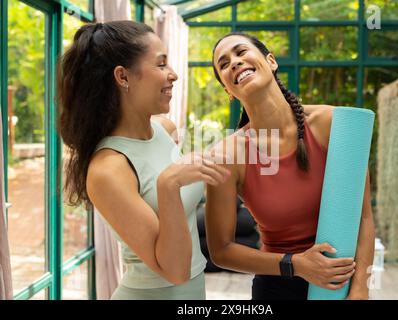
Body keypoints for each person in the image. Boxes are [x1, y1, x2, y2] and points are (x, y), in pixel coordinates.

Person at [57, 21, 230, 300]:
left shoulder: (165, 130)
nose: (172, 74)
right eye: (161, 65)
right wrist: (169, 183)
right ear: (123, 77)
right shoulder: (108, 169)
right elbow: (175, 272)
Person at [206, 32, 375, 300]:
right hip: (278, 286)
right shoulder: (227, 155)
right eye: (224, 64)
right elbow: (222, 250)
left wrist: (360, 288)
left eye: (241, 52)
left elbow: (363, 215)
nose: (234, 63)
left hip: (340, 284)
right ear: (228, 90)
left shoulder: (332, 124)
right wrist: (296, 264)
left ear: (271, 61)